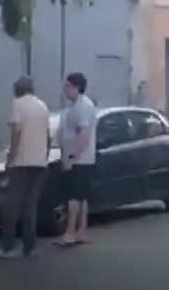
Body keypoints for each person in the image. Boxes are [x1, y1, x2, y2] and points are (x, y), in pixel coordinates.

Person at [0, 77, 51, 260]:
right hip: (40, 163)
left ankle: (7, 248)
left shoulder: (17, 104)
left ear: (17, 89)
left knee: (11, 205)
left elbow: (16, 134)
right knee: (30, 206)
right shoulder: (43, 106)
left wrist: (10, 159)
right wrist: (44, 157)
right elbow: (48, 138)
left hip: (22, 162)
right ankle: (30, 247)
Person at [55, 72, 97, 247]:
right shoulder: (72, 107)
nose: (64, 90)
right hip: (76, 158)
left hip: (80, 159)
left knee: (74, 198)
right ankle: (81, 230)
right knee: (80, 197)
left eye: (68, 86)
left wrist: (72, 156)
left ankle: (71, 232)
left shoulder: (84, 106)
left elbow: (84, 134)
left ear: (77, 87)